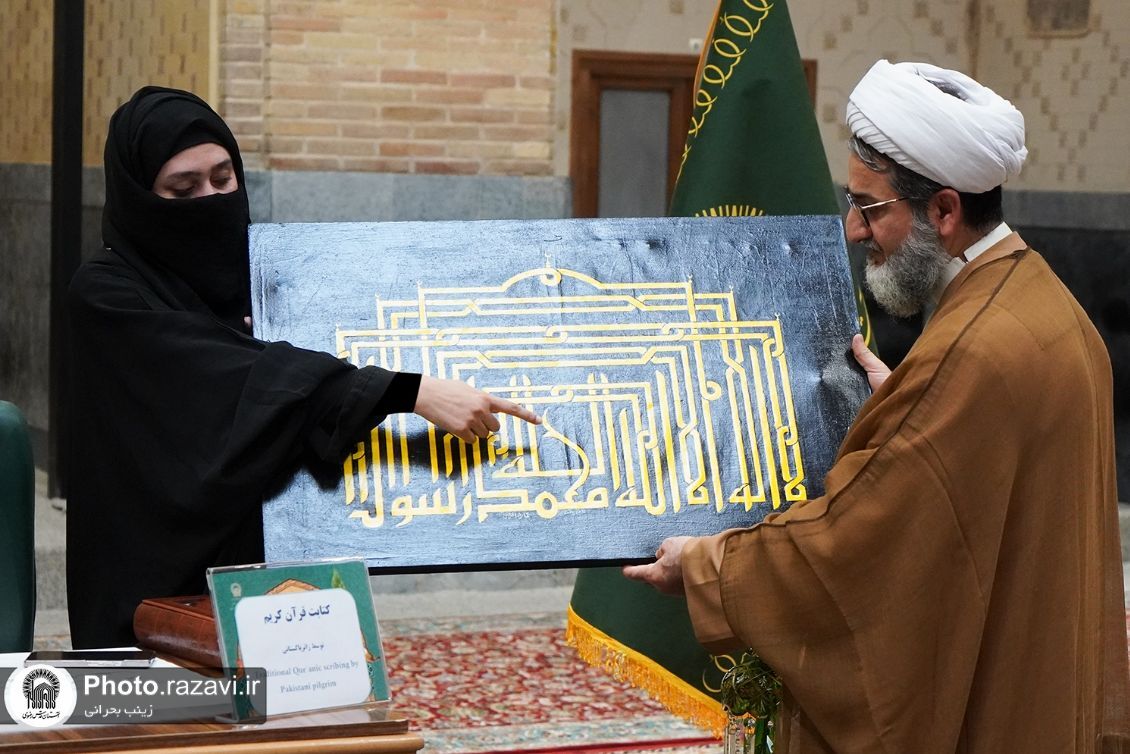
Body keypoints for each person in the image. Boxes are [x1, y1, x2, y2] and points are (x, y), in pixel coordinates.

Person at [624, 60, 1130, 751]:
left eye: (869, 208)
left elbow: (851, 549)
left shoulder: (970, 352)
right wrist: (906, 405)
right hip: (1039, 682)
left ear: (944, 211)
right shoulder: (1046, 302)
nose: (854, 230)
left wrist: (703, 565)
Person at [66, 86, 540, 648]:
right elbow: (230, 384)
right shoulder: (107, 295)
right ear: (139, 197)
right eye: (184, 189)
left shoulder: (269, 279)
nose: (211, 199)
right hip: (156, 593)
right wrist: (408, 392)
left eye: (223, 179)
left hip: (283, 578)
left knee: (309, 696)